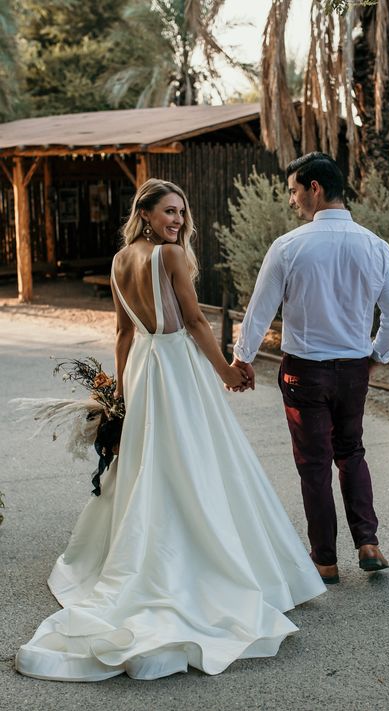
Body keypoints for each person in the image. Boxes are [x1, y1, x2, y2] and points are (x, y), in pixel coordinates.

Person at [15, 178, 325, 682]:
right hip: (176, 366)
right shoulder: (169, 257)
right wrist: (226, 370)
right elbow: (196, 322)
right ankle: (204, 555)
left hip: (142, 365)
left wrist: (119, 391)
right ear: (146, 214)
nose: (177, 221)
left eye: (181, 213)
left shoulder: (119, 262)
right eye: (168, 212)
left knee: (154, 461)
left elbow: (122, 333)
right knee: (197, 457)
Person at [232, 152, 389, 585]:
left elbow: (259, 312)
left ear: (314, 188)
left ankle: (325, 561)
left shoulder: (289, 247)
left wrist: (242, 359)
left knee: (314, 463)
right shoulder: (376, 245)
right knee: (352, 451)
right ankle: (368, 542)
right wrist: (375, 356)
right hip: (352, 368)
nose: (291, 201)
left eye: (293, 190)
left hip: (304, 371)